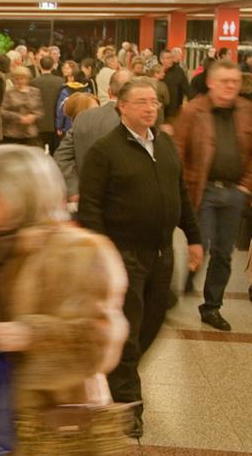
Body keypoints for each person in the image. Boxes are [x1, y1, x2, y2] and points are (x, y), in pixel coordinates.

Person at [0, 144, 129, 454]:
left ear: (17, 192)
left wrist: (31, 334)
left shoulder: (81, 252)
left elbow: (99, 342)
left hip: (54, 427)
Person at [78, 78, 203, 438]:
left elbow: (179, 193)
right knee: (129, 331)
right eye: (142, 102)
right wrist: (102, 257)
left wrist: (193, 238)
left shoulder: (164, 144)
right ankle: (128, 404)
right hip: (124, 255)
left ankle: (118, 373)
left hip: (162, 254)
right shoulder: (105, 151)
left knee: (153, 321)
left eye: (154, 102)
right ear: (123, 106)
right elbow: (90, 210)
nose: (151, 108)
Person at [173, 60, 252, 331]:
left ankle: (212, 306)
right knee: (201, 246)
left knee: (224, 253)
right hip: (202, 191)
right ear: (210, 82)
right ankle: (183, 284)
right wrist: (182, 188)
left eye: (235, 81)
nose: (230, 86)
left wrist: (246, 185)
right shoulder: (193, 111)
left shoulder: (246, 111)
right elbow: (178, 152)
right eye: (224, 81)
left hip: (234, 193)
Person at [54, 69, 133, 203]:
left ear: (108, 91)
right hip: (129, 200)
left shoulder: (84, 118)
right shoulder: (140, 121)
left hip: (88, 198)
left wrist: (74, 190)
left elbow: (61, 156)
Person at [0, 66, 43, 146]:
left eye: (23, 78)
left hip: (30, 134)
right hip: (12, 134)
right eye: (17, 78)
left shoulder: (35, 92)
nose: (20, 81)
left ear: (28, 79)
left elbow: (40, 111)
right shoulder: (9, 93)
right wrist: (18, 117)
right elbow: (2, 111)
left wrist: (33, 116)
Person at [30, 56, 64, 151]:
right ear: (53, 66)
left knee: (38, 154)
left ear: (39, 66)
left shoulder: (33, 82)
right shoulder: (61, 81)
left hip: (38, 124)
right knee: (55, 153)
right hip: (55, 124)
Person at [160, 49, 189, 123]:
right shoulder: (157, 71)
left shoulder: (178, 72)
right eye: (167, 58)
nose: (170, 60)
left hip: (172, 112)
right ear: (161, 60)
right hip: (159, 111)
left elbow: (187, 89)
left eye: (171, 58)